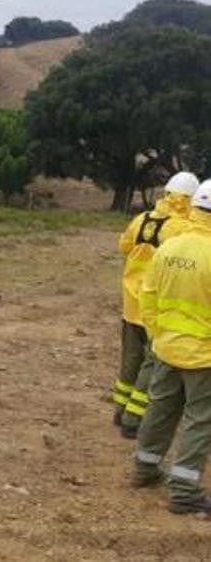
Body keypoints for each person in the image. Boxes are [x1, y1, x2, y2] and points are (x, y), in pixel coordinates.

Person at [131, 179, 211, 514]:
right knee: (198, 421)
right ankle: (183, 491)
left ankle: (144, 469)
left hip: (164, 348)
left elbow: (147, 295)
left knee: (159, 411)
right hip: (203, 357)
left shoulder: (170, 247)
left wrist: (157, 335)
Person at [115, 172, 197, 438]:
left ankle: (120, 410)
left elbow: (124, 246)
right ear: (188, 200)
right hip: (156, 305)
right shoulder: (181, 228)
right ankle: (132, 420)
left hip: (131, 302)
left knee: (130, 360)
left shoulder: (141, 219)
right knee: (152, 364)